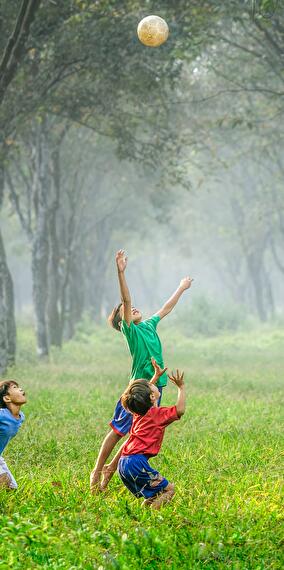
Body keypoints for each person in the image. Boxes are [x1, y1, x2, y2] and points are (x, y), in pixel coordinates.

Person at [90, 249, 193, 492]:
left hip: (155, 387)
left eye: (133, 307)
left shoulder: (148, 325)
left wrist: (181, 288)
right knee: (117, 431)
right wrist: (120, 272)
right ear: (121, 320)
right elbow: (126, 300)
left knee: (138, 432)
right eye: (125, 310)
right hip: (137, 390)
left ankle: (110, 472)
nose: (132, 308)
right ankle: (97, 471)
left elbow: (166, 308)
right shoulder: (131, 331)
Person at [118, 361, 185, 510]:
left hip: (123, 463)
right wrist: (181, 387)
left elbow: (142, 395)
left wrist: (155, 377)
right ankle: (153, 518)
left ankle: (143, 515)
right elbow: (180, 410)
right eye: (150, 385)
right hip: (136, 463)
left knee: (155, 494)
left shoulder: (138, 412)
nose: (151, 384)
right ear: (152, 397)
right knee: (169, 490)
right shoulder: (157, 415)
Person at [0, 379, 26, 490]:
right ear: (7, 398)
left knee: (12, 488)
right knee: (3, 480)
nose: (21, 389)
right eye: (15, 388)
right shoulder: (2, 414)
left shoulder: (21, 417)